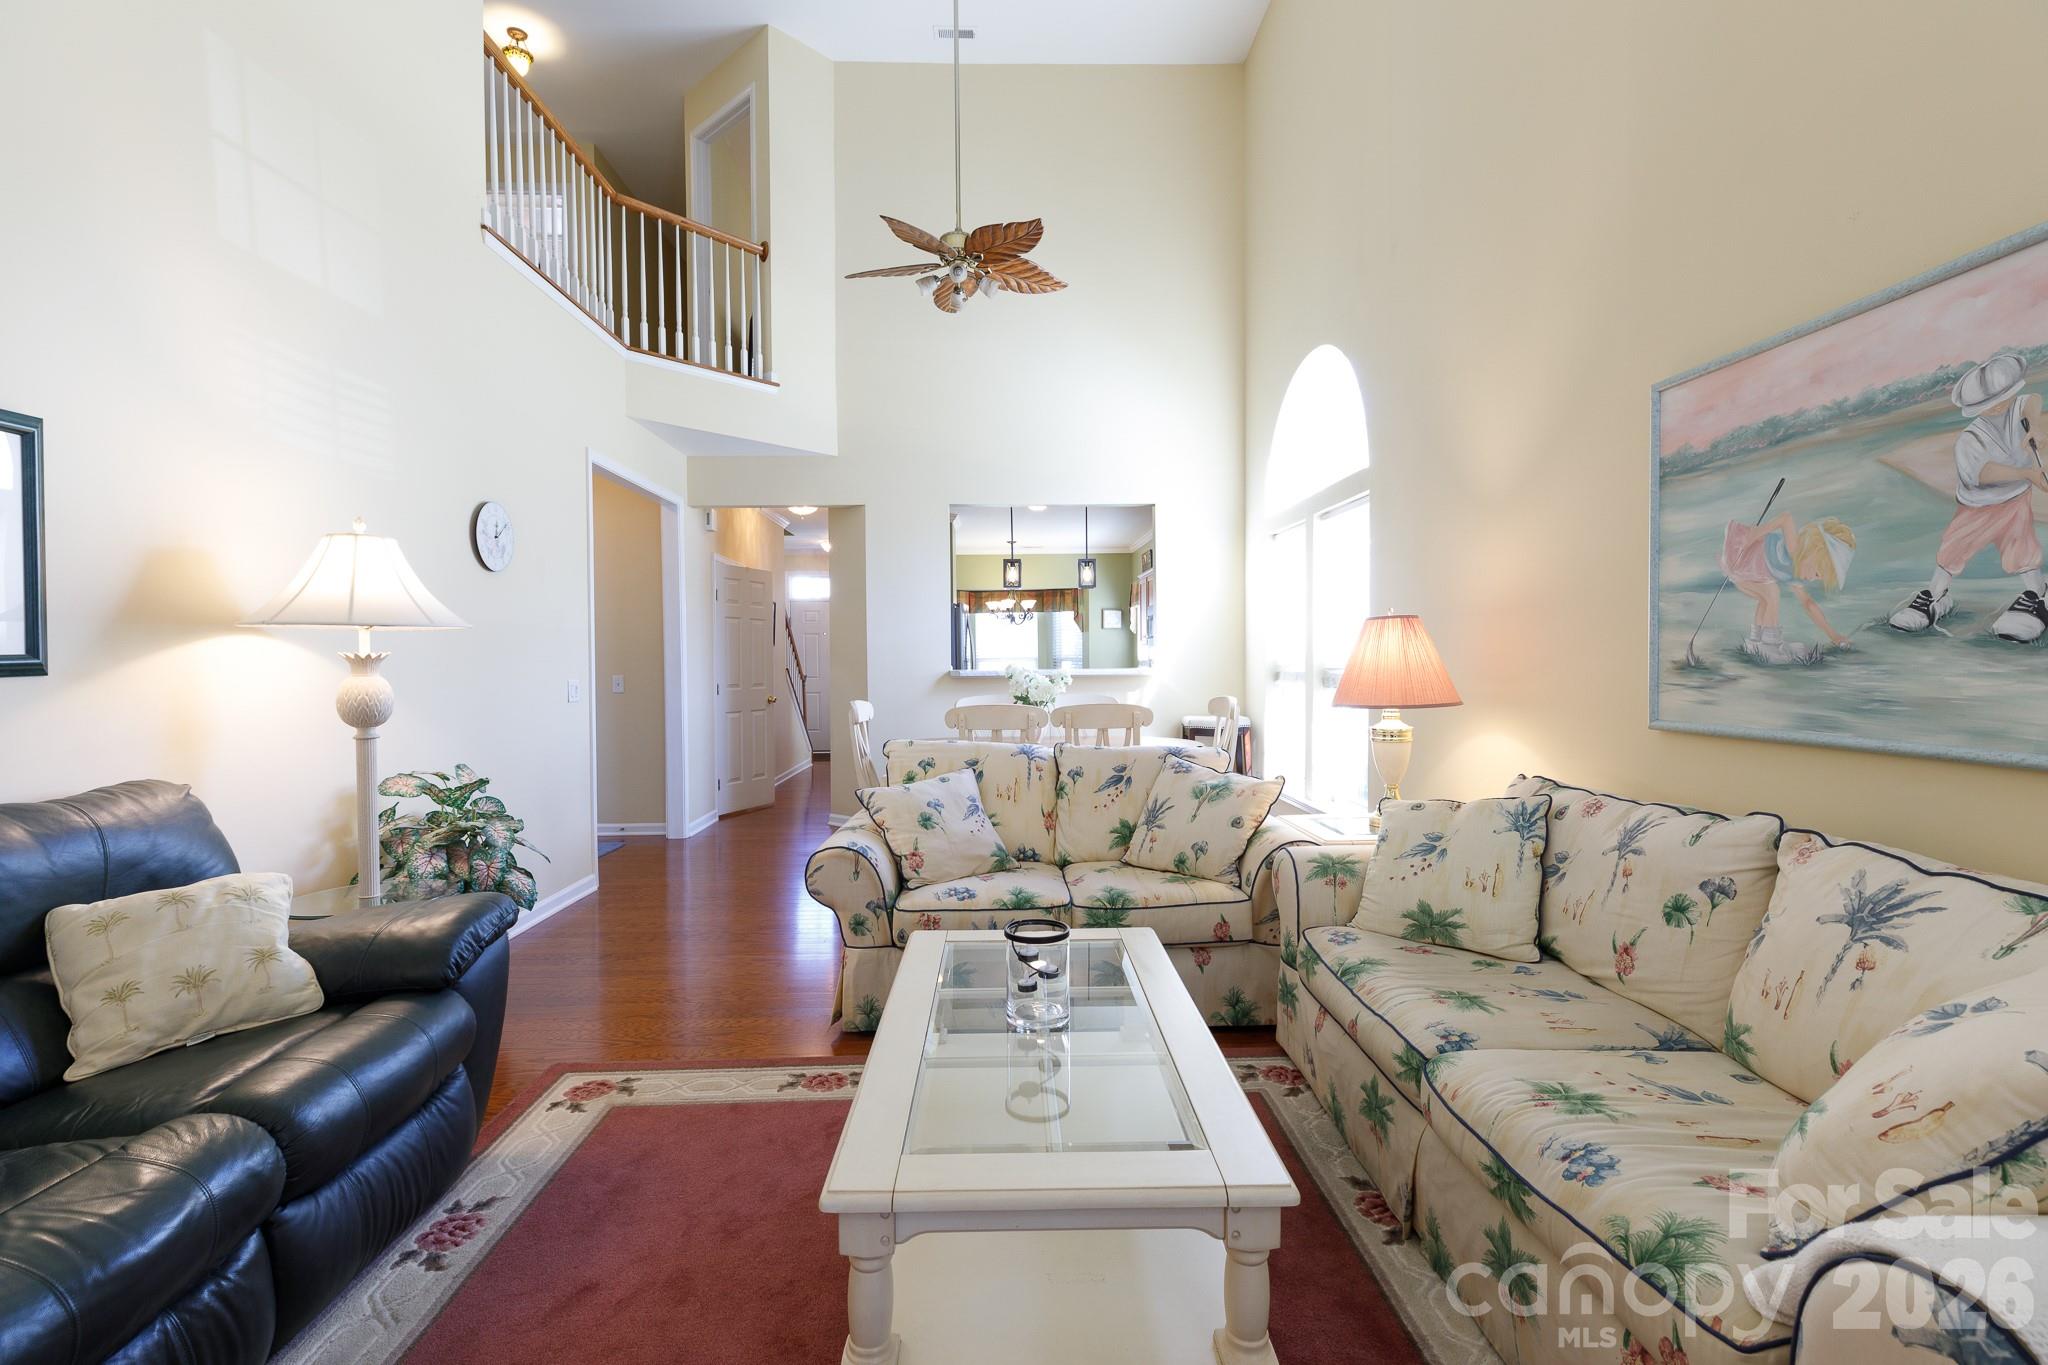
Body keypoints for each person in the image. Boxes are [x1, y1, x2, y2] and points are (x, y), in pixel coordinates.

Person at [1889, 352, 2048, 642]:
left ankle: (2037, 595)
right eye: (1990, 403)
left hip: (2015, 499)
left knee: (2021, 548)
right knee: (1954, 549)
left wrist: (2035, 426)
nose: (1999, 406)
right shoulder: (1969, 439)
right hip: (1978, 507)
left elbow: (2032, 401)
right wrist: (2028, 474)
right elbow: (1984, 473)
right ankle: (1935, 596)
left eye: (2004, 398)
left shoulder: (2016, 409)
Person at [1719, 512, 1856, 664]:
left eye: (1818, 578)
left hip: (1749, 573)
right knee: (1772, 593)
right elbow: (1786, 519)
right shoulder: (1794, 550)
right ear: (1812, 552)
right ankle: (1771, 644)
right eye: (1817, 573)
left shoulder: (1796, 575)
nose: (1812, 578)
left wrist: (1833, 635)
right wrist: (1756, 533)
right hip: (1743, 555)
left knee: (1765, 599)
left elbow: (1808, 604)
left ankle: (1756, 640)